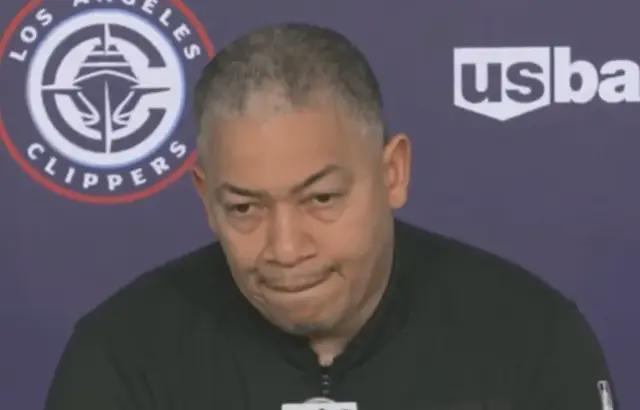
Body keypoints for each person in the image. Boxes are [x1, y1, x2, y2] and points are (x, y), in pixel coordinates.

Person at [45, 23, 617, 410]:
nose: (286, 249)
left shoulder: (530, 339)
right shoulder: (122, 356)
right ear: (205, 199)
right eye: (244, 207)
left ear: (392, 173)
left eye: (321, 199)